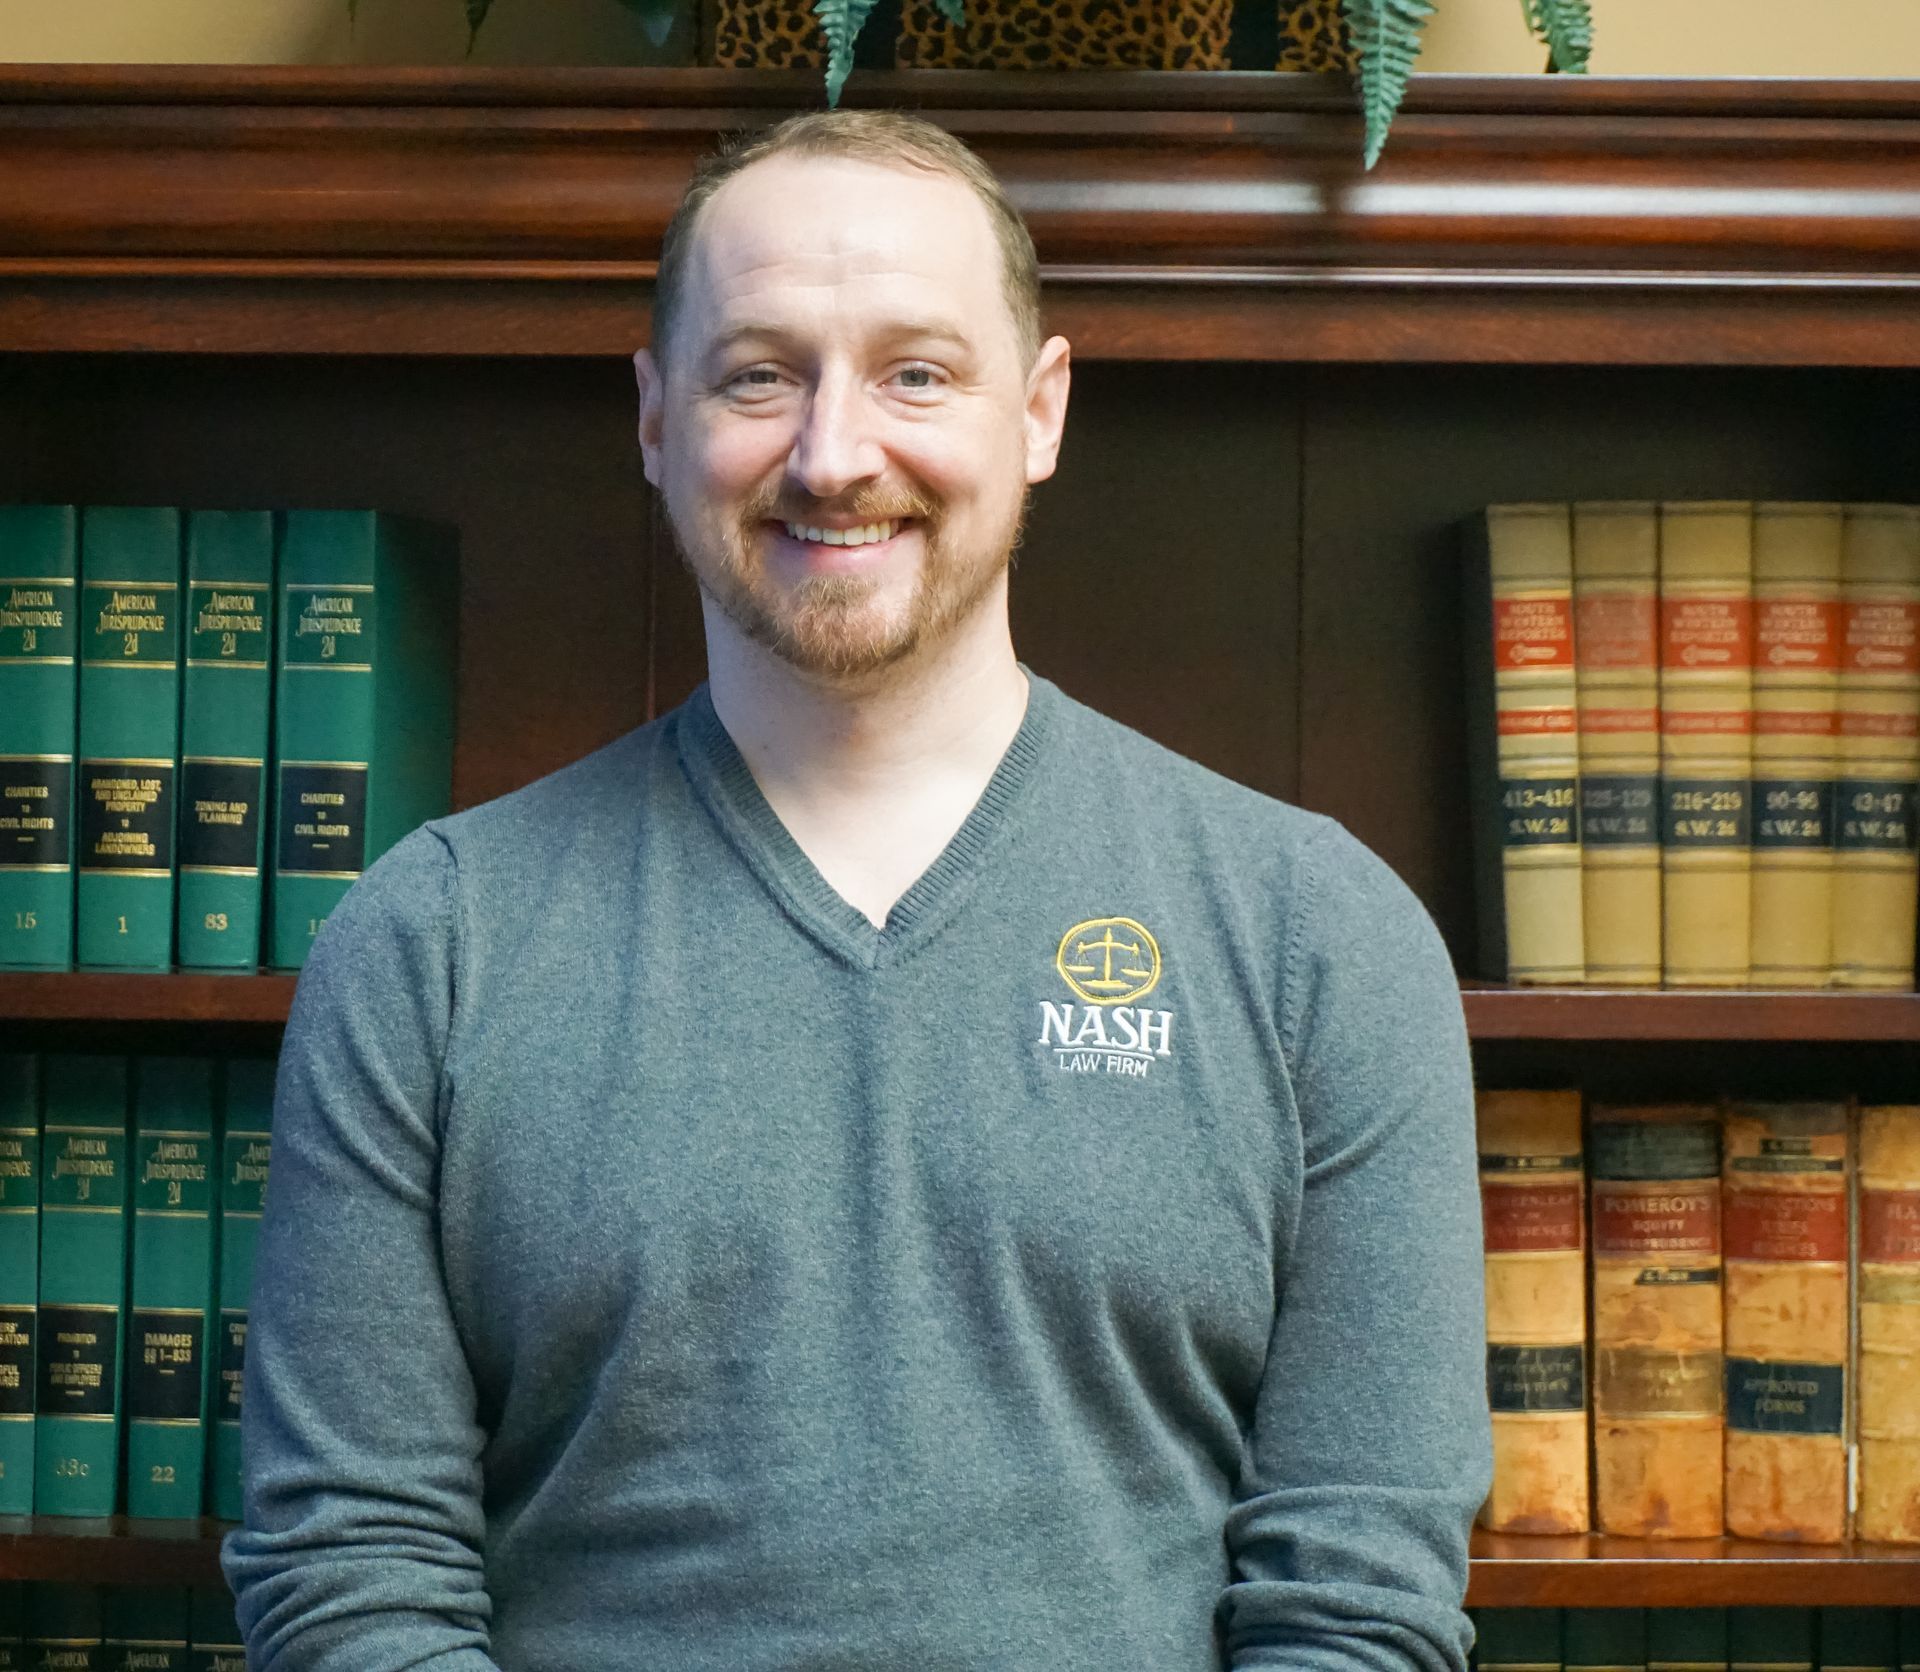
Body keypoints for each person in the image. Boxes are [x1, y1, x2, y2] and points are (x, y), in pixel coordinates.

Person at [223, 109, 1490, 1672]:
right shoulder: (428, 944)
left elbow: (1357, 1605)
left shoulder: (1321, 938)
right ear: (653, 420)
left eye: (917, 372)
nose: (834, 454)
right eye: (759, 373)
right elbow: (349, 1575)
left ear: (1038, 411)